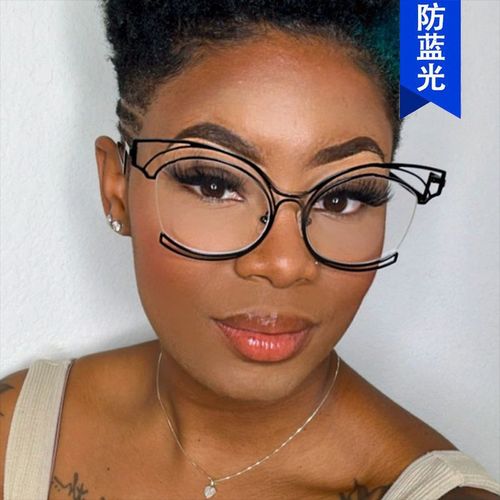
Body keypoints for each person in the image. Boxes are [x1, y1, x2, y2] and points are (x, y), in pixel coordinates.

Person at [1, 1, 499, 499]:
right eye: (215, 185)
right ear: (117, 187)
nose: (285, 265)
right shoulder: (15, 431)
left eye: (340, 197)